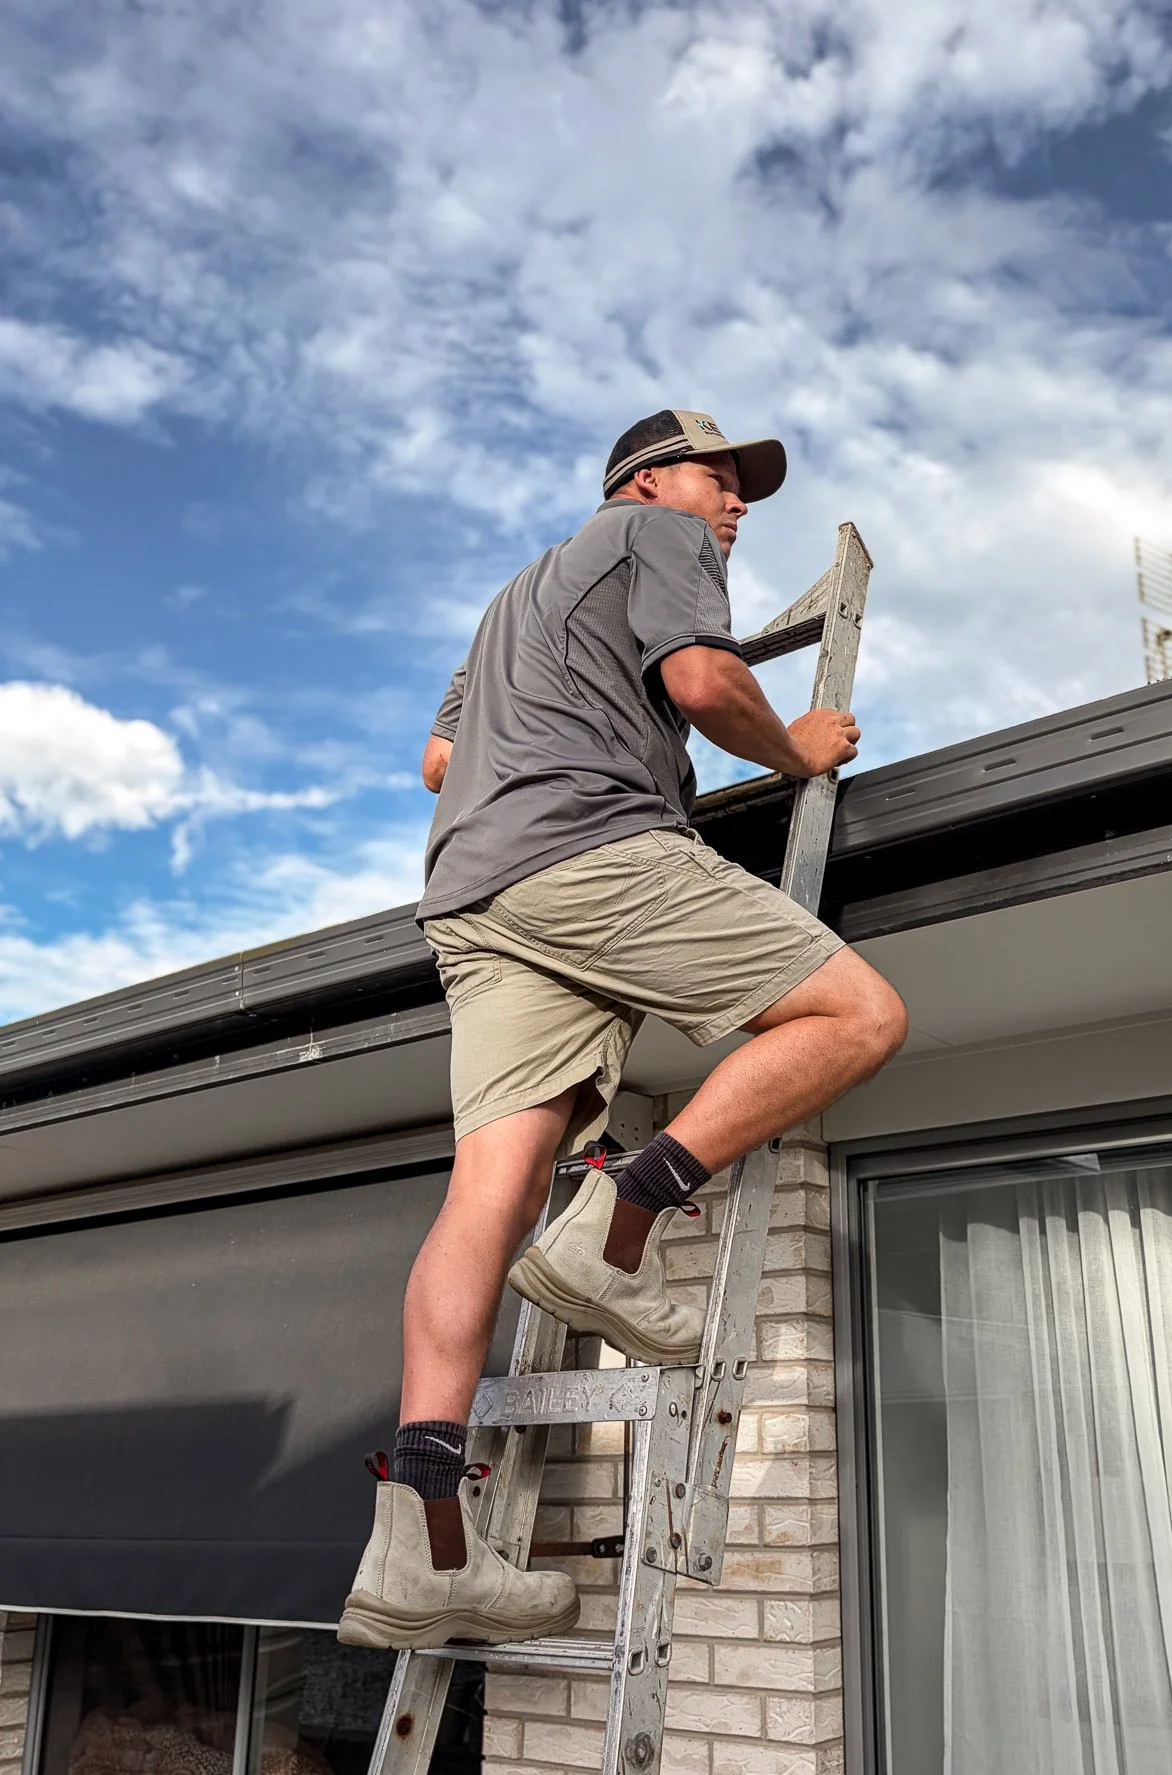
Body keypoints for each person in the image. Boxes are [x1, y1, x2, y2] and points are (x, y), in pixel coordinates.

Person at [339, 408, 907, 1651]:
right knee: (859, 1012)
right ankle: (620, 1222)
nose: (735, 503)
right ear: (647, 480)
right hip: (588, 847)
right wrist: (798, 749)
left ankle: (423, 1545)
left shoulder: (510, 607)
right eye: (722, 477)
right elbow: (706, 682)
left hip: (474, 896)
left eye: (740, 488)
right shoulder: (656, 535)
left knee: (488, 1192)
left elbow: (440, 758)